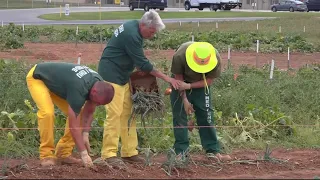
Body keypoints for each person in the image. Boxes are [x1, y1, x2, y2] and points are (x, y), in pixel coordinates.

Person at [94, 9, 181, 168]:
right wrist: (167, 78)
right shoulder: (132, 34)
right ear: (144, 25)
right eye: (152, 31)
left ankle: (129, 152)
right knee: (114, 113)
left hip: (122, 74)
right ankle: (108, 154)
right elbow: (143, 63)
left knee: (128, 113)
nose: (152, 35)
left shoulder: (134, 27)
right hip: (111, 74)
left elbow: (134, 58)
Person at [26, 62, 115, 168]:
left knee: (80, 114)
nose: (96, 105)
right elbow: (74, 126)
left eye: (99, 104)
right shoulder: (79, 88)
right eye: (97, 102)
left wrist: (85, 133)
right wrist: (84, 154)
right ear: (94, 92)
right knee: (47, 113)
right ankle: (46, 154)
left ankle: (63, 153)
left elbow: (90, 111)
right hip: (38, 77)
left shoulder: (99, 84)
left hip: (57, 83)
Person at [169, 41, 232, 162]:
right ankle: (181, 152)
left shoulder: (215, 57)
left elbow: (208, 81)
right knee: (179, 117)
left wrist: (189, 86)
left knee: (206, 115)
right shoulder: (180, 56)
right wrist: (185, 100)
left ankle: (213, 151)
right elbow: (178, 80)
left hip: (201, 85)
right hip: (180, 84)